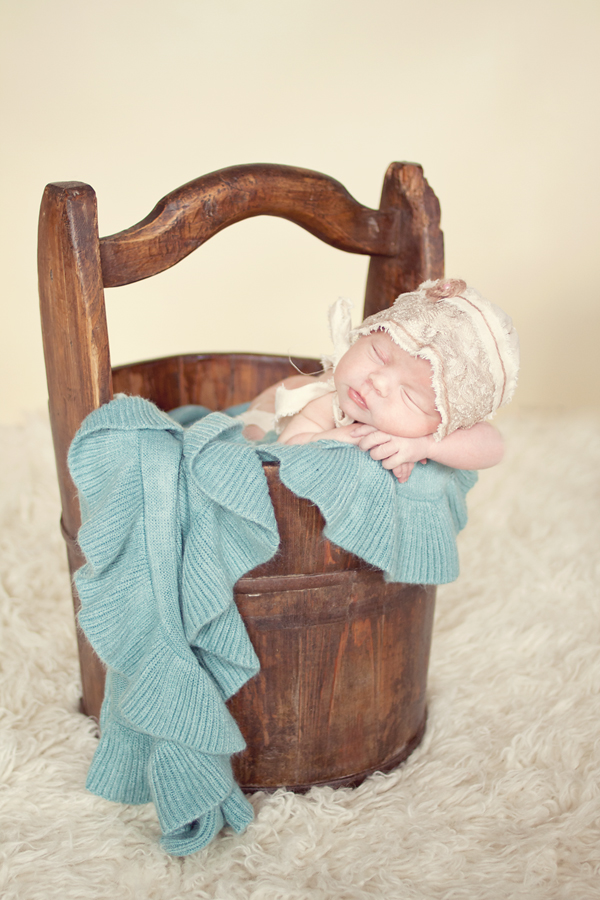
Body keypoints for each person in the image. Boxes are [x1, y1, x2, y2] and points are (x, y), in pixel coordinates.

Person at [239, 278, 520, 482]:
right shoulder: (331, 402)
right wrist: (334, 437)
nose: (378, 381)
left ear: (444, 420)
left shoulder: (434, 428)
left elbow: (494, 446)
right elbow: (284, 449)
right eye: (378, 355)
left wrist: (426, 445)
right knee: (250, 439)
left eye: (409, 396)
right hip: (275, 408)